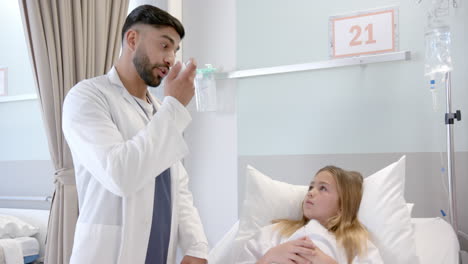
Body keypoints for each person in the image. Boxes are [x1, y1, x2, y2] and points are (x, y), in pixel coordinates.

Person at [62, 5, 208, 264]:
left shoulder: (161, 112)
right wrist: (174, 106)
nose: (171, 59)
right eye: (164, 46)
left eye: (175, 51)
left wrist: (196, 247)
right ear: (132, 39)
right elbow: (119, 175)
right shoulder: (87, 97)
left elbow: (179, 188)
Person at [236, 166, 383, 264]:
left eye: (323, 188)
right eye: (311, 187)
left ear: (342, 207)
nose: (311, 192)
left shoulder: (356, 244)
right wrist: (269, 256)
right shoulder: (276, 232)